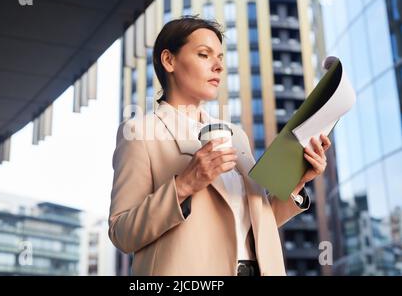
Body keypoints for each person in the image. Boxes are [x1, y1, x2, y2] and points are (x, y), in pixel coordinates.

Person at [108, 16, 331, 276]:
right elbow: (121, 233)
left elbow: (256, 224)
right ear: (169, 60)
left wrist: (297, 183)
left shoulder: (236, 135)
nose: (218, 67)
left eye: (221, 58)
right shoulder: (140, 132)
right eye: (204, 55)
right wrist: (184, 185)